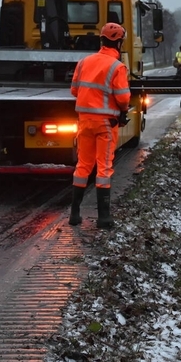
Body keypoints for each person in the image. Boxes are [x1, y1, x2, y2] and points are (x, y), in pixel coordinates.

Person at [69, 22, 131, 229]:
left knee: (83, 165)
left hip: (84, 121)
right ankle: (104, 218)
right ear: (119, 43)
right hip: (105, 123)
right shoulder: (117, 67)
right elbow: (123, 99)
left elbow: (74, 91)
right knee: (103, 167)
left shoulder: (84, 62)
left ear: (102, 40)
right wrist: (121, 108)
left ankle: (74, 214)